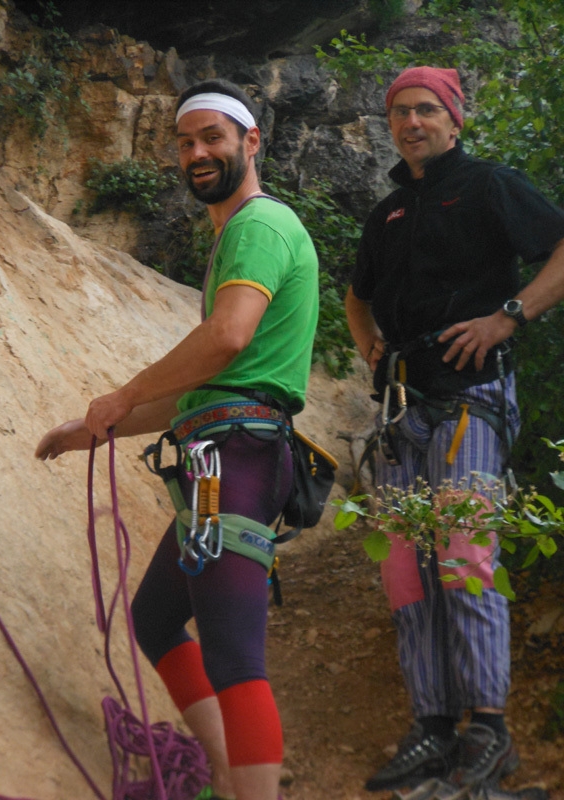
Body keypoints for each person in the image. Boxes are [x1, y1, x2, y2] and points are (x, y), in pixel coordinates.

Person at [36, 78, 319, 800]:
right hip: (220, 446)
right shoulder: (240, 234)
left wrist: (125, 392)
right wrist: (93, 430)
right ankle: (227, 778)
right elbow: (205, 386)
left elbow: (226, 340)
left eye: (212, 138)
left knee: (234, 654)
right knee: (157, 618)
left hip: (237, 456)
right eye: (185, 141)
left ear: (252, 142)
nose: (196, 152)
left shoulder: (256, 226)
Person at [345, 66, 564, 792]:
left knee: (465, 554)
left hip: (471, 395)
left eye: (426, 110)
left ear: (455, 119)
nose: (411, 122)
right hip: (404, 409)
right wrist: (369, 343)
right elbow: (357, 296)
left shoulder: (489, 185)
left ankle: (490, 730)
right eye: (399, 112)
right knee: (406, 570)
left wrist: (511, 314)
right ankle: (434, 729)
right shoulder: (387, 215)